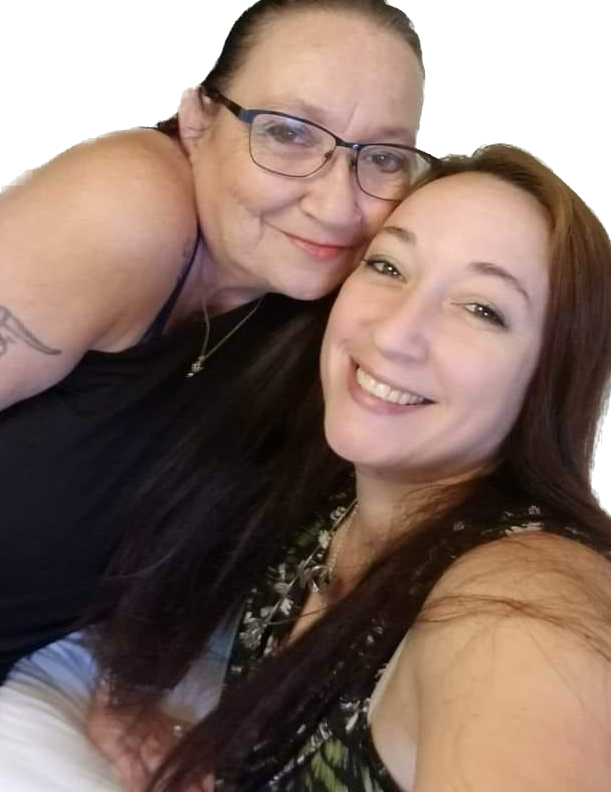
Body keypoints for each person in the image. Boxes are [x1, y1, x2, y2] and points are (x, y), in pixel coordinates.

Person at [87, 143, 611, 792]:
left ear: (548, 378)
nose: (393, 333)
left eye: (482, 308)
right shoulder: (327, 495)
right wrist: (127, 694)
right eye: (387, 265)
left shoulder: (529, 602)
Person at [0, 0, 432, 684]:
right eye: (287, 133)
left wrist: (127, 682)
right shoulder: (122, 211)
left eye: (382, 156)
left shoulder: (328, 300)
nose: (336, 205)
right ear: (197, 122)